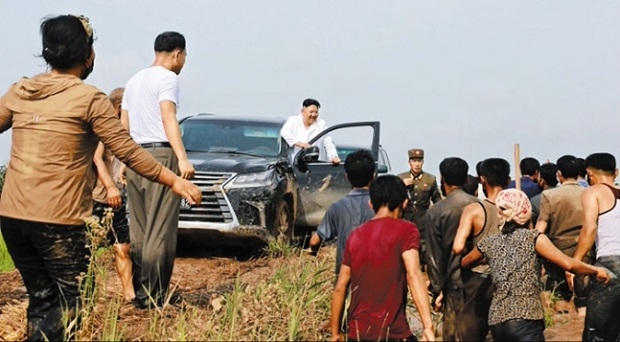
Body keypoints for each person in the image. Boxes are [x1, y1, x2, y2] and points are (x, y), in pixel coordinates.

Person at [0, 15, 201, 341]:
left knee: (42, 301)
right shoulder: (89, 99)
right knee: (71, 303)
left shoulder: (20, 91)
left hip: (12, 218)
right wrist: (175, 179)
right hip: (57, 221)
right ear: (88, 54)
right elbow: (128, 150)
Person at [461, 189, 610, 342]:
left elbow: (465, 262)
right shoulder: (533, 238)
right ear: (526, 214)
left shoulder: (490, 242)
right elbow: (568, 264)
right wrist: (595, 270)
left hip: (497, 321)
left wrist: (490, 258)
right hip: (526, 319)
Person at [121, 31, 195, 309]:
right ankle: (154, 297)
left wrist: (123, 163)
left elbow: (124, 127)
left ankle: (142, 295)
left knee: (139, 229)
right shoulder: (168, 78)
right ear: (177, 54)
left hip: (134, 157)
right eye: (185, 56)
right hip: (160, 155)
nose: (184, 61)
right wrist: (182, 158)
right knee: (160, 229)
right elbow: (168, 116)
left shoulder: (133, 80)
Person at [330, 175, 435, 341]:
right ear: (404, 204)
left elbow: (340, 287)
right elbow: (413, 275)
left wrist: (335, 333)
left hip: (357, 333)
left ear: (371, 204)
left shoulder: (355, 235)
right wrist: (427, 326)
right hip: (392, 332)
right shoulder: (407, 230)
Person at [452, 157, 511, 341]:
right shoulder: (516, 209)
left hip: (478, 279)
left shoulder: (474, 210)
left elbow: (458, 246)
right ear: (507, 180)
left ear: (482, 179)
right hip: (509, 278)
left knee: (471, 333)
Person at [424, 157, 479, 341]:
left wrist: (437, 288)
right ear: (465, 179)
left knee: (453, 334)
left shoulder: (437, 211)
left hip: (453, 283)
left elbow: (434, 255)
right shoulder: (481, 206)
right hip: (480, 280)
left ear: (442, 179)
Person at [92, 87, 135, 302]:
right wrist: (110, 187)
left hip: (118, 201)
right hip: (98, 199)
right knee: (87, 251)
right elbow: (97, 158)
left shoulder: (123, 130)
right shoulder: (103, 127)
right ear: (119, 107)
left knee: (123, 247)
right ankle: (85, 297)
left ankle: (129, 295)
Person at [571, 152, 620, 341]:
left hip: (610, 264)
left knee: (596, 331)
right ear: (616, 172)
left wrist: (575, 262)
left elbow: (589, 228)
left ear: (589, 174)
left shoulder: (593, 192)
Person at [535, 155, 589, 316]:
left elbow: (541, 227)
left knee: (560, 296)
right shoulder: (589, 194)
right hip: (585, 251)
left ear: (559, 174)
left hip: (557, 253)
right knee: (583, 297)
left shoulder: (550, 196)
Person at [308, 149, 375, 276]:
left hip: (345, 278)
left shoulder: (337, 207)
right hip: (375, 277)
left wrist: (313, 249)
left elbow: (315, 241)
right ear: (373, 176)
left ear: (347, 177)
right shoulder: (381, 207)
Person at [397, 148, 441, 268]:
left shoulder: (430, 179)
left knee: (424, 247)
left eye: (419, 161)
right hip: (406, 217)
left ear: (423, 162)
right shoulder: (400, 178)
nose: (417, 164)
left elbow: (437, 200)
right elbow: (394, 197)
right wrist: (401, 185)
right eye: (414, 161)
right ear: (409, 162)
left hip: (423, 218)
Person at [280, 98, 340, 165]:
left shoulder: (321, 124)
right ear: (303, 111)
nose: (314, 115)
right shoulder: (293, 121)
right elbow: (284, 132)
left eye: (316, 112)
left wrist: (333, 157)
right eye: (311, 112)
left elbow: (328, 143)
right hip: (296, 164)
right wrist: (301, 144)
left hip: (315, 165)